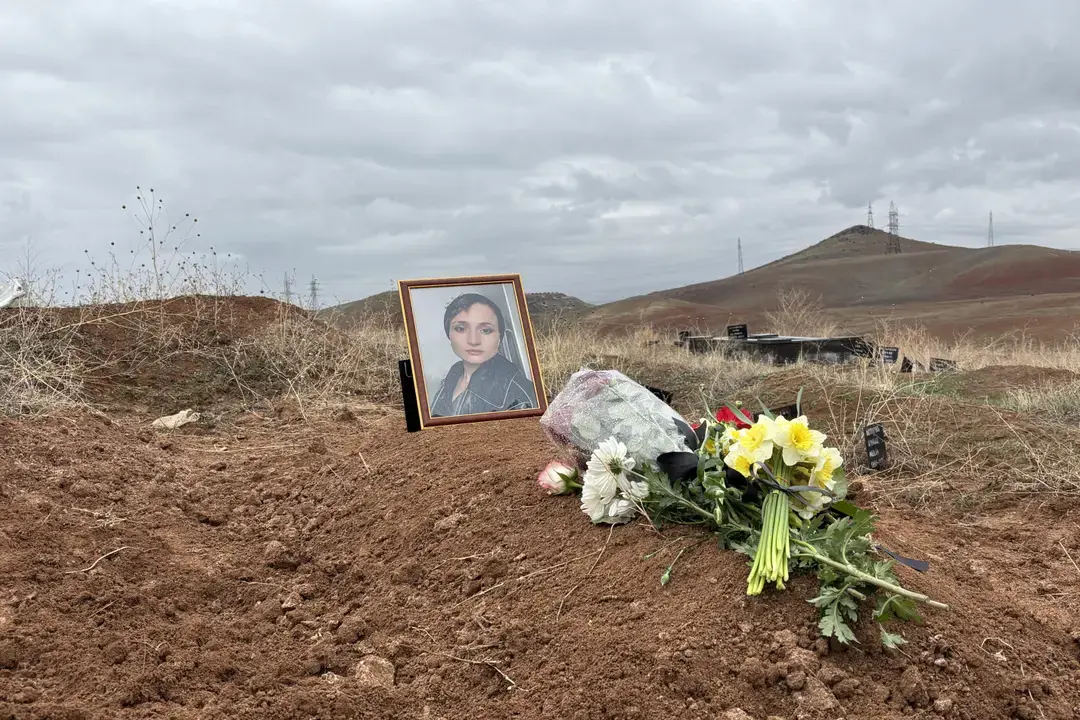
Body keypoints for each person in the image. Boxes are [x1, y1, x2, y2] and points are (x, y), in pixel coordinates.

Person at [428, 292, 539, 417]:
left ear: (500, 336)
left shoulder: (520, 394)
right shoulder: (452, 376)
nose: (473, 341)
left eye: (486, 330)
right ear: (449, 334)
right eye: (460, 328)